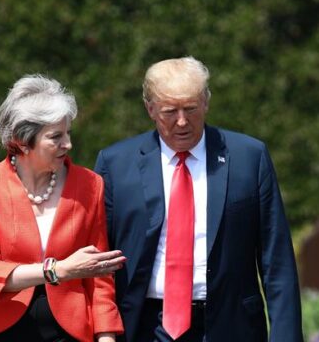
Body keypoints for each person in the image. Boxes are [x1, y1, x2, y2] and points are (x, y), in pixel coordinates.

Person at [94, 57, 303, 342]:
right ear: (150, 109)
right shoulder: (116, 164)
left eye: (191, 109)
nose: (182, 121)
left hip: (229, 325)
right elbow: (98, 259)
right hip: (145, 326)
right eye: (170, 111)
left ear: (206, 102)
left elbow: (276, 260)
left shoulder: (248, 158)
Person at [0, 75, 126, 342]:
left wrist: (106, 337)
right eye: (56, 136)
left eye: (68, 133)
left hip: (69, 330)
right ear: (22, 141)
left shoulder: (90, 184)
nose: (68, 144)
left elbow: (100, 275)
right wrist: (59, 270)